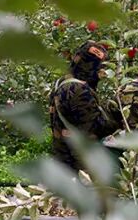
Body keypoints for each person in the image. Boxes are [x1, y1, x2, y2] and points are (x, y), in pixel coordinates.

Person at [48, 40, 121, 172]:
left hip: (63, 158)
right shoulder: (79, 89)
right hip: (79, 164)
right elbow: (95, 128)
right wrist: (117, 113)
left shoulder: (63, 81)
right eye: (99, 68)